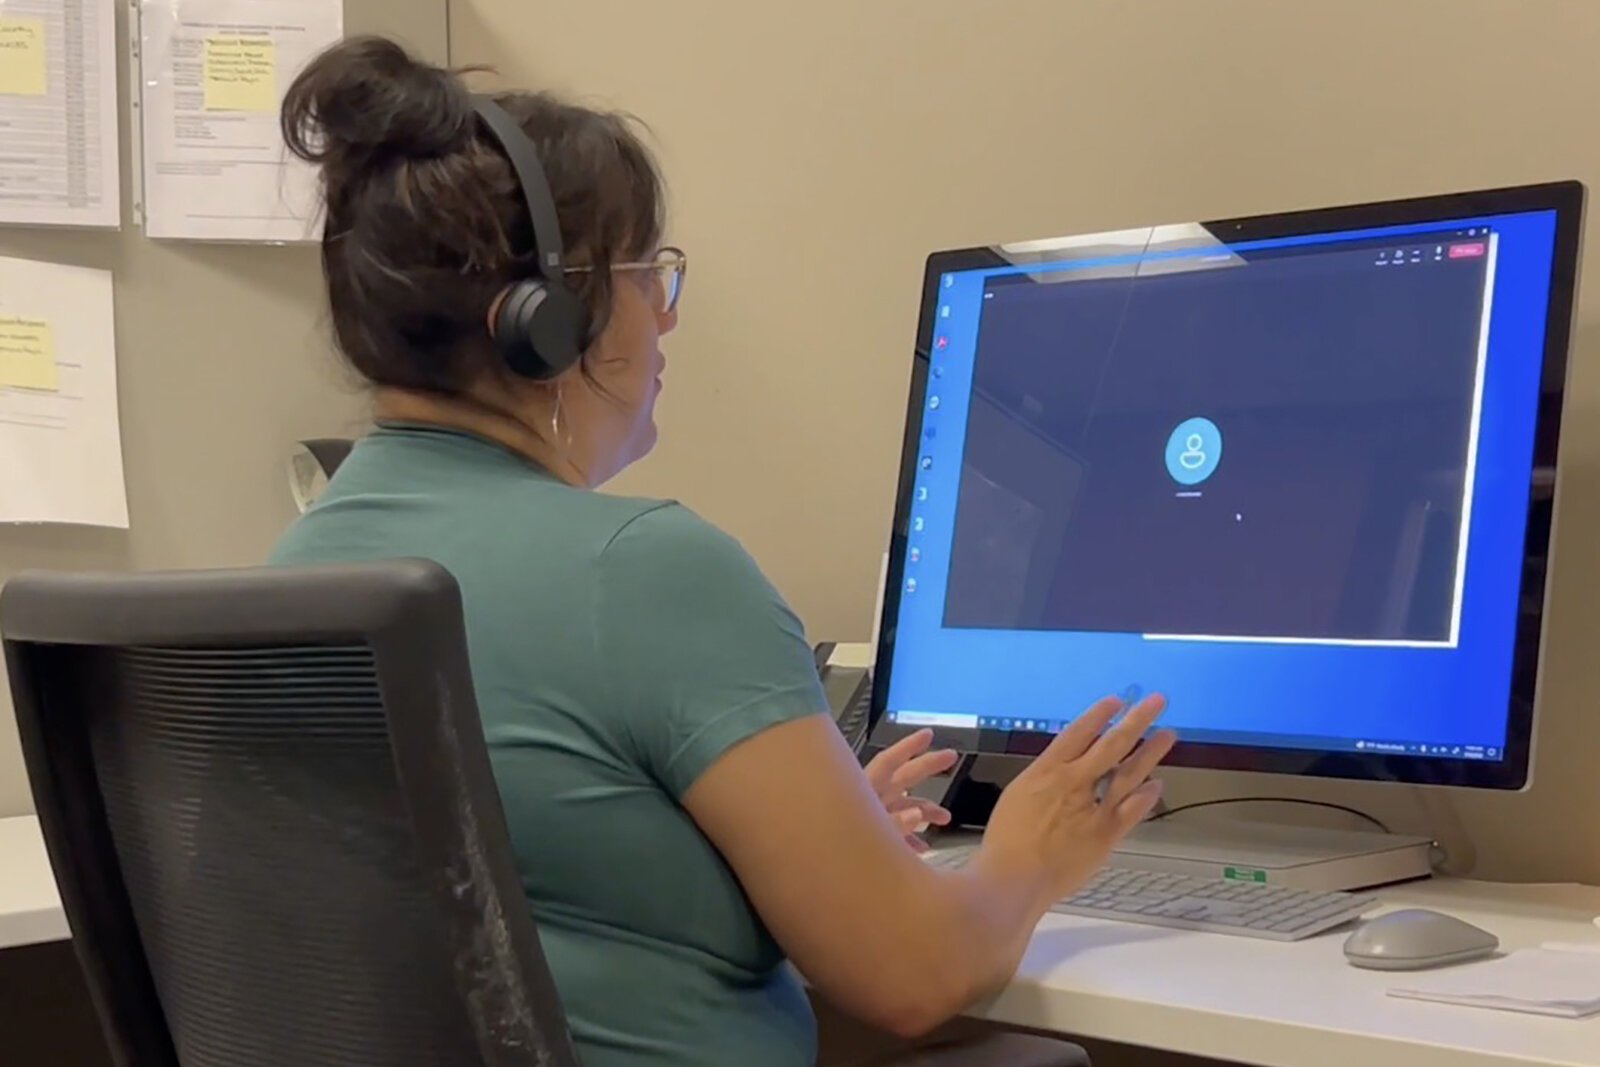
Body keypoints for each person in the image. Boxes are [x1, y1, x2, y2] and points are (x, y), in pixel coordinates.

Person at [270, 36, 1176, 1067]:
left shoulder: (300, 567)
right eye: (642, 273)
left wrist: (798, 835)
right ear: (544, 322)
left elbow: (533, 869)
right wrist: (1026, 855)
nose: (661, 316)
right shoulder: (645, 567)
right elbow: (915, 978)